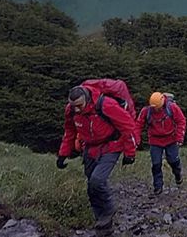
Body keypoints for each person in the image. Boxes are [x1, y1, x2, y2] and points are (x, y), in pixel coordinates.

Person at [57, 85, 138, 235]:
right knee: (91, 187)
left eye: (79, 105)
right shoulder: (71, 110)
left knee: (97, 180)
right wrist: (63, 154)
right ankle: (103, 223)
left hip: (111, 146)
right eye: (73, 106)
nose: (76, 109)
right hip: (90, 149)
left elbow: (127, 127)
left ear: (87, 100)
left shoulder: (106, 105)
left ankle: (109, 209)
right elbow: (70, 131)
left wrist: (130, 153)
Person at [136, 92, 187, 195]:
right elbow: (138, 125)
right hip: (155, 141)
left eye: (158, 107)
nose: (156, 110)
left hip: (171, 139)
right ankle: (158, 187)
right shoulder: (146, 111)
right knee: (156, 164)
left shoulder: (172, 108)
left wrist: (179, 137)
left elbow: (181, 121)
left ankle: (178, 175)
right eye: (154, 108)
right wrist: (136, 140)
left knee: (173, 161)